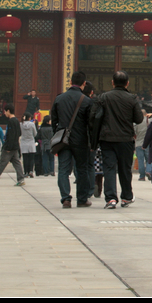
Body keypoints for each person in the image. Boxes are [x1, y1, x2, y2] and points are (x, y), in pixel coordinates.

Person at [90, 70, 143, 208]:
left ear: (112, 83)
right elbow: (139, 119)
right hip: (125, 139)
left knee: (109, 168)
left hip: (107, 139)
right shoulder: (132, 99)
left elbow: (93, 116)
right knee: (125, 169)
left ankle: (110, 199)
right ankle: (126, 197)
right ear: (127, 83)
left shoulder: (103, 97)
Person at [49, 71, 93, 208]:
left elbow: (54, 121)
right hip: (81, 140)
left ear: (70, 82)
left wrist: (58, 134)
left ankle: (65, 198)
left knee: (63, 169)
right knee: (81, 169)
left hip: (63, 140)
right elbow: (90, 123)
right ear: (84, 84)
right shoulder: (86, 101)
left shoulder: (59, 99)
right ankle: (82, 199)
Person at [0, 105, 26, 187]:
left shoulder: (11, 121)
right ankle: (21, 179)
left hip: (9, 147)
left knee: (2, 163)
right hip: (15, 146)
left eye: (5, 111)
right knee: (17, 163)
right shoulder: (17, 121)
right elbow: (19, 133)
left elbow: (11, 135)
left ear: (8, 111)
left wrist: (8, 147)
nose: (4, 113)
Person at [20, 112, 38, 178]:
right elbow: (35, 133)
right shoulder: (32, 124)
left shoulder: (21, 124)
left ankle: (26, 172)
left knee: (25, 159)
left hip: (24, 142)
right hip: (31, 142)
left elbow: (20, 133)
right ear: (29, 118)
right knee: (31, 158)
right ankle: (31, 171)